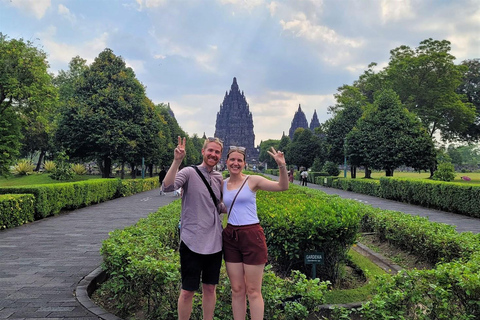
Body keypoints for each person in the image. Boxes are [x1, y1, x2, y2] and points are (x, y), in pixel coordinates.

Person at [222, 145, 289, 320]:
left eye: (239, 160)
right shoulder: (222, 184)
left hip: (251, 235)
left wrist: (282, 165)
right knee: (237, 289)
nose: (235, 163)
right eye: (232, 160)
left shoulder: (253, 180)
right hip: (230, 236)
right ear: (226, 162)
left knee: (253, 290)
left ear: (244, 163)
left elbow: (282, 186)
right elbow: (221, 206)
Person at [162, 136, 224, 320]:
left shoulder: (219, 177)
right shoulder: (189, 172)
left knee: (210, 288)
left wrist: (243, 200)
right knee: (188, 291)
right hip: (192, 241)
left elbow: (218, 206)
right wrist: (177, 161)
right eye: (210, 150)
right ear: (203, 151)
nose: (213, 154)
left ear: (220, 155)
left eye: (217, 152)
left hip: (215, 242)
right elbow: (167, 187)